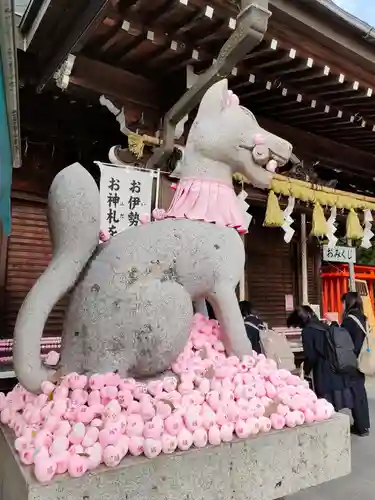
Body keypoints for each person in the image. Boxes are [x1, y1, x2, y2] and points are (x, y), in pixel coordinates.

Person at [287, 305, 354, 415]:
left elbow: (311, 356)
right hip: (335, 365)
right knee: (335, 401)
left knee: (325, 403)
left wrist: (305, 370)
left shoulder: (307, 331)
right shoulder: (323, 325)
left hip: (323, 369)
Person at [341, 292, 370, 437]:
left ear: (348, 302)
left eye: (343, 302)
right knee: (361, 392)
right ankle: (364, 425)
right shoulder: (363, 318)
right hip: (363, 359)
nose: (341, 306)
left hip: (353, 360)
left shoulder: (349, 320)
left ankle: (360, 426)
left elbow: (343, 341)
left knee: (355, 392)